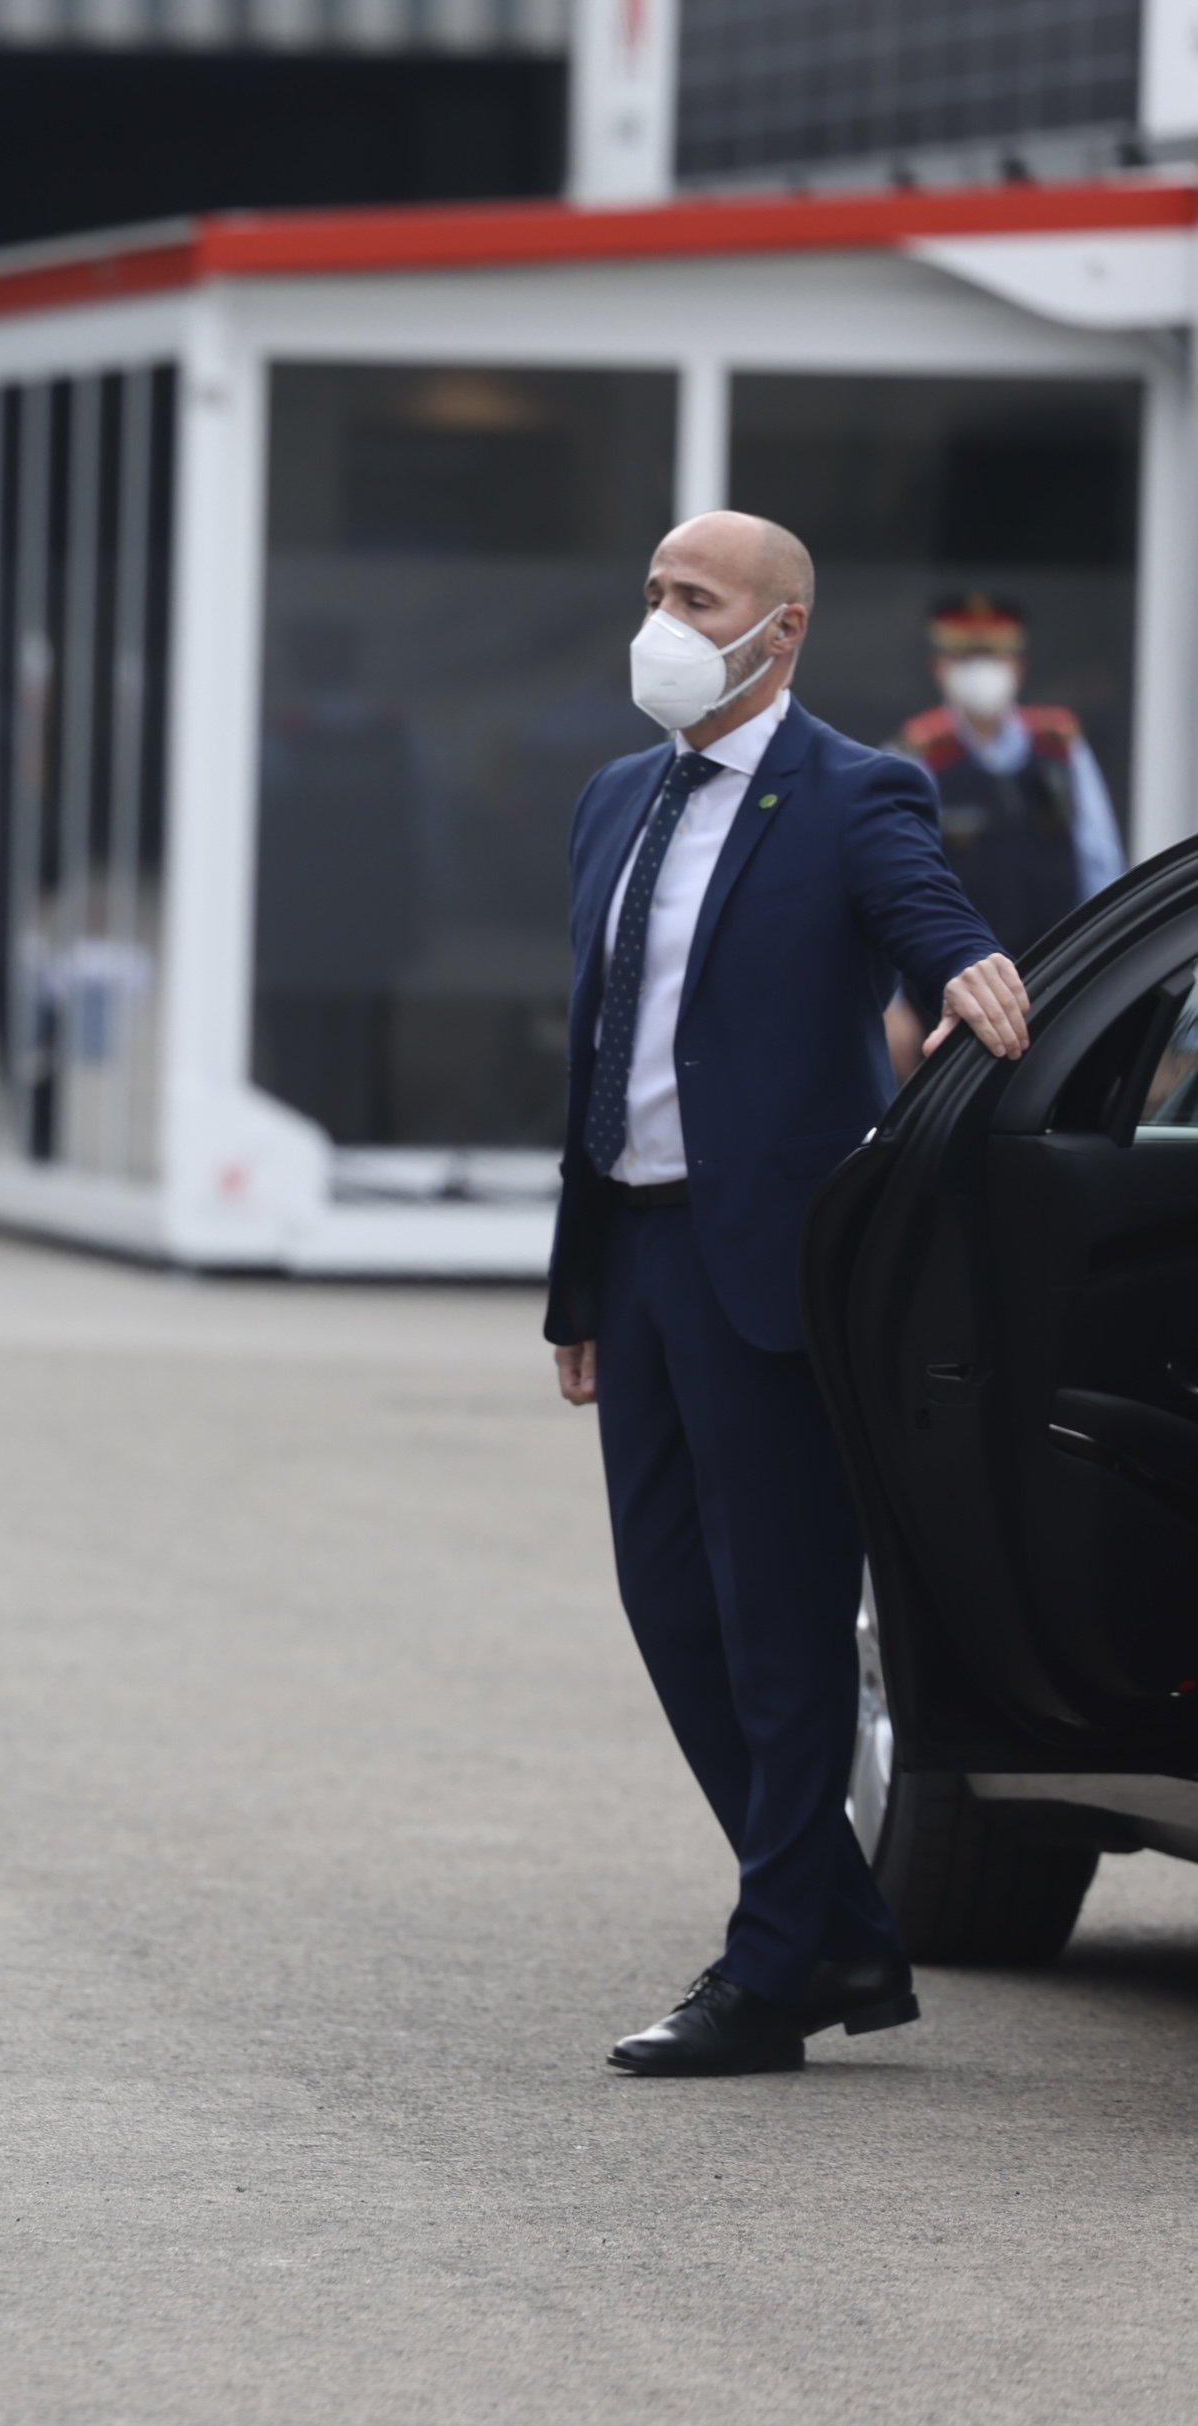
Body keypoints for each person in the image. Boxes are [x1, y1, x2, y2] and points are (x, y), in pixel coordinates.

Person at [546, 510, 1030, 2079]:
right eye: (653, 593)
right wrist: (575, 1284)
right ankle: (829, 1923)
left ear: (781, 629)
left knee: (776, 1621)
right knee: (665, 1602)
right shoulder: (613, 799)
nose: (662, 622)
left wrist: (964, 962)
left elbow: (916, 906)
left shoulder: (849, 789)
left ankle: (771, 1966)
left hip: (762, 1262)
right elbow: (597, 1049)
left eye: (694, 599)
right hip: (632, 1252)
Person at [883, 596, 1128, 1060]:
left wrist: (1109, 974)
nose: (982, 671)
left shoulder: (1058, 744)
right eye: (964, 658)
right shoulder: (918, 753)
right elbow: (891, 884)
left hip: (1055, 979)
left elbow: (1101, 868)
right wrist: (891, 1006)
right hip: (947, 992)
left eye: (993, 657)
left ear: (1018, 664)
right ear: (939, 667)